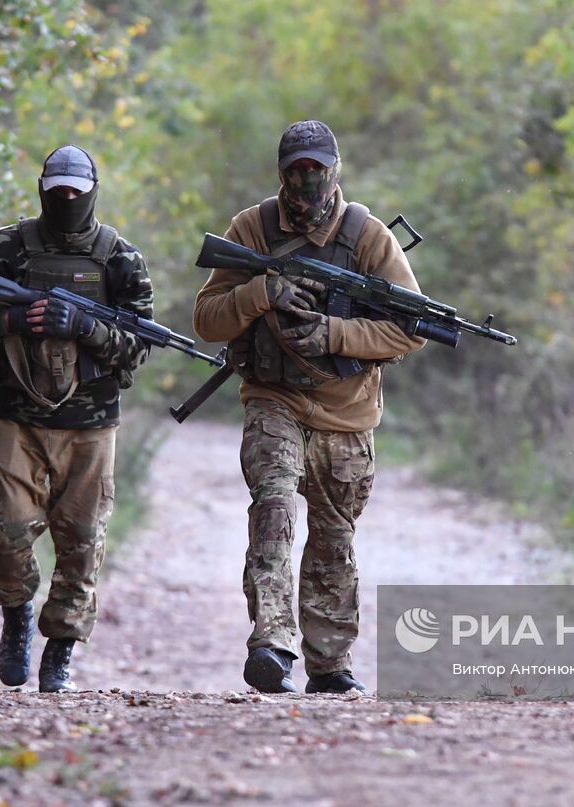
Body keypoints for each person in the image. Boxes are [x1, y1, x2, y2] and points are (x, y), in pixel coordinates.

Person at [193, 120, 425, 694]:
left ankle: (328, 663)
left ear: (335, 169)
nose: (307, 181)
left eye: (316, 170)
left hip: (346, 412)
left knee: (333, 540)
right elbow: (206, 320)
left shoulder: (368, 236)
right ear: (281, 173)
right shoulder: (251, 228)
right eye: (296, 170)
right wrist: (259, 294)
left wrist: (332, 333)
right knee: (272, 508)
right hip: (274, 398)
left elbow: (411, 330)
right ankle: (272, 642)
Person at [0, 144, 153, 693]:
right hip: (13, 414)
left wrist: (86, 328)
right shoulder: (5, 249)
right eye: (55, 191)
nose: (64, 200)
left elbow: (141, 344)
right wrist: (11, 317)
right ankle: (16, 618)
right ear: (41, 188)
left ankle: (59, 650)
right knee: (5, 530)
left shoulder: (120, 259)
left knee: (82, 540)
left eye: (74, 194)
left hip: (91, 422)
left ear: (91, 193)